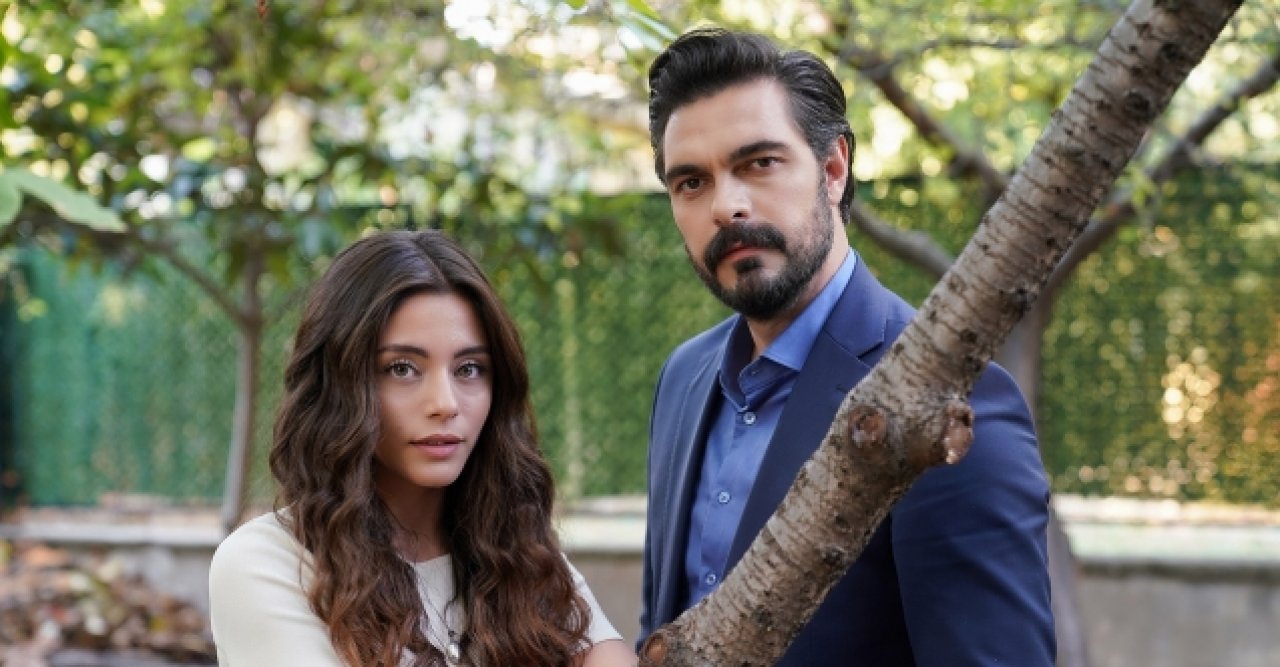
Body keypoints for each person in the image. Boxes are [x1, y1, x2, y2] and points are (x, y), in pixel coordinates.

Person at [638, 28, 1055, 665]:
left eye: (759, 163)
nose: (727, 205)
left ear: (833, 169)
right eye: (691, 182)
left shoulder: (949, 402)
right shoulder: (684, 378)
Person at [209, 230, 636, 666]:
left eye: (469, 368)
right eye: (402, 369)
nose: (445, 404)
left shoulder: (514, 548)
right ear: (339, 385)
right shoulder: (267, 564)